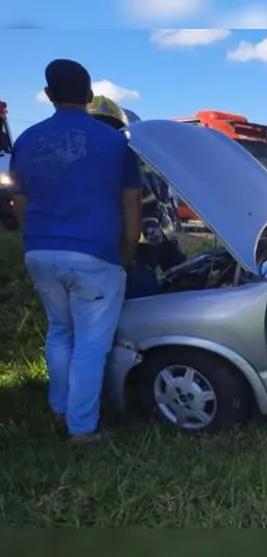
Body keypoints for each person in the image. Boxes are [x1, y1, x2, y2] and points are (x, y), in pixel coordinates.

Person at [8, 59, 143, 444]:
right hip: (95, 254)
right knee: (89, 343)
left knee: (59, 331)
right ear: (89, 95)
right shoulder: (115, 142)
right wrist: (127, 253)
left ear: (49, 95)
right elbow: (131, 203)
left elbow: (18, 202)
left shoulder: (27, 140)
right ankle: (82, 429)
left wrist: (34, 238)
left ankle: (60, 407)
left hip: (40, 251)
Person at [87, 95, 186, 300]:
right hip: (158, 238)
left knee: (136, 304)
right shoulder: (144, 155)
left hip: (135, 247)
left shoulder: (102, 160)